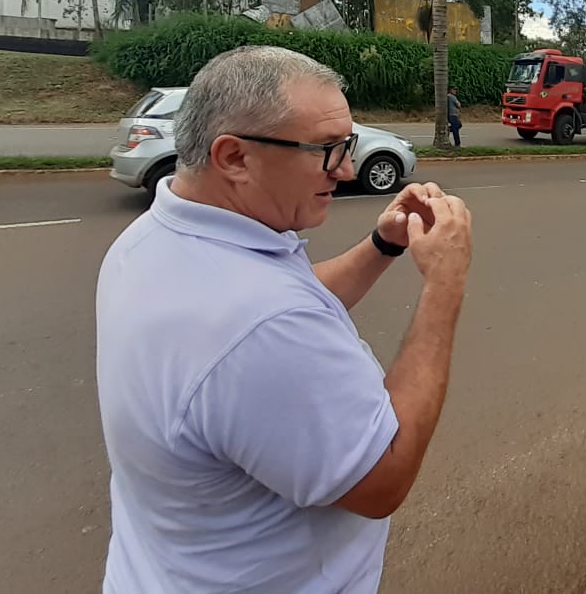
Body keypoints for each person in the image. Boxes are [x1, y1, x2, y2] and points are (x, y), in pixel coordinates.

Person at [95, 45, 473, 593]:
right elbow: (382, 478)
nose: (345, 170)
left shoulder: (157, 240)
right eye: (324, 150)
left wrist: (381, 245)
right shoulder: (259, 326)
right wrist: (445, 283)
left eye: (346, 146)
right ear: (234, 157)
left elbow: (297, 293)